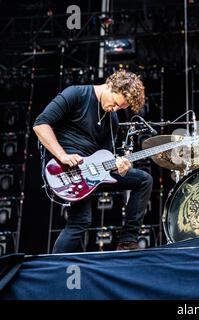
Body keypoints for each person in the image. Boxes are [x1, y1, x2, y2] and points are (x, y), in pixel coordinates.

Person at [33, 69, 153, 253]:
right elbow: (40, 124)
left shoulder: (112, 120)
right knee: (81, 220)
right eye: (115, 103)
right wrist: (63, 155)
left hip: (93, 171)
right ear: (110, 85)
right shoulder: (76, 94)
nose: (114, 109)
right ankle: (53, 267)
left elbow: (105, 156)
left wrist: (119, 165)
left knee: (144, 179)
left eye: (120, 108)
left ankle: (127, 242)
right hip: (65, 167)